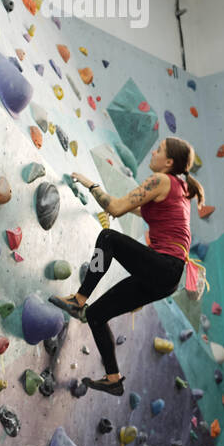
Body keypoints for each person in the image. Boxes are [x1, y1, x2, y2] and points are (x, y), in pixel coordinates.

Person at [50, 137, 206, 396]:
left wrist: (92, 185)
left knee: (108, 238)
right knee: (97, 316)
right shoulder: (177, 189)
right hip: (167, 277)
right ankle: (113, 378)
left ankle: (79, 298)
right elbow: (132, 208)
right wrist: (98, 191)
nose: (152, 153)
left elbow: (116, 208)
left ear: (169, 162)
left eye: (158, 150)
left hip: (165, 266)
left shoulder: (161, 181)